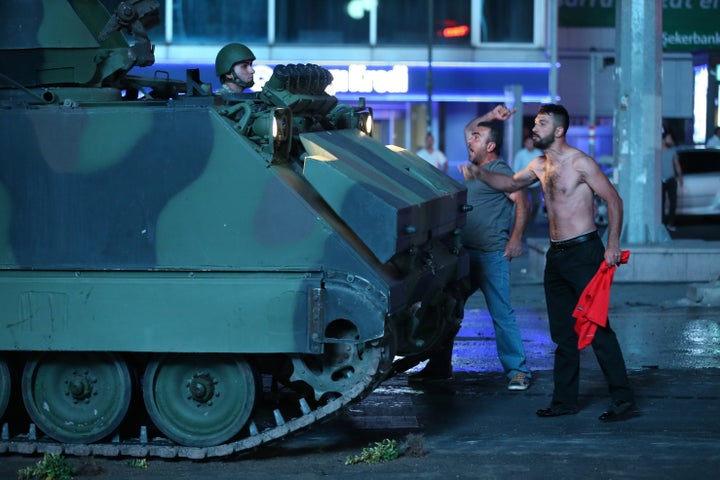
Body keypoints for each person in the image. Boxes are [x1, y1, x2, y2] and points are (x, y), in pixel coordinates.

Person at [462, 103, 637, 422]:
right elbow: (511, 185)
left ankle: (623, 399)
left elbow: (614, 199)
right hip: (556, 256)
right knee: (563, 333)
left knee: (597, 328)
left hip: (585, 252)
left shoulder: (580, 163)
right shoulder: (540, 165)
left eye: (541, 124)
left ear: (558, 130)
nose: (534, 128)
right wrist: (479, 173)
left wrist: (612, 243)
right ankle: (565, 401)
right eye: (535, 124)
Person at [410, 104, 532, 391]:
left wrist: (515, 239)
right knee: (447, 309)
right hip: (464, 255)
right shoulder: (478, 169)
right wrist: (490, 116)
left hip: (491, 255)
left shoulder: (499, 171)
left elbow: (522, 201)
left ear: (490, 145)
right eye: (470, 138)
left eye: (476, 138)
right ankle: (439, 366)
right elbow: (468, 129)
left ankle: (518, 371)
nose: (469, 140)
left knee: (501, 314)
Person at [513, 136, 544, 224]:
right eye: (528, 142)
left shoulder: (538, 153)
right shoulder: (520, 154)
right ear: (525, 144)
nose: (530, 144)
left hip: (535, 183)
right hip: (523, 183)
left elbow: (542, 168)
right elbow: (515, 168)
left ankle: (531, 219)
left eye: (532, 143)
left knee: (537, 203)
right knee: (522, 203)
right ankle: (521, 220)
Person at [661, 132, 683, 232]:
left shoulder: (672, 151)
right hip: (660, 181)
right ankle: (661, 224)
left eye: (671, 138)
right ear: (663, 139)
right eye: (668, 138)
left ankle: (671, 223)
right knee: (660, 203)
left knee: (673, 202)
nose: (671, 140)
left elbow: (677, 165)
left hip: (671, 179)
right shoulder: (657, 152)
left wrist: (680, 176)